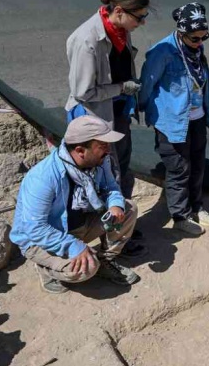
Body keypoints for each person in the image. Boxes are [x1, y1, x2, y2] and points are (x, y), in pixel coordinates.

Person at [9, 116, 143, 294]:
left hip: (80, 225)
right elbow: (34, 228)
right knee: (85, 270)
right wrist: (73, 246)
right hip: (41, 240)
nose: (109, 150)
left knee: (128, 208)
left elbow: (111, 188)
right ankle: (46, 267)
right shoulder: (43, 178)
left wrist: (116, 205)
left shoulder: (100, 161)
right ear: (80, 150)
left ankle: (105, 260)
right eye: (103, 146)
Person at [66, 0, 150, 198]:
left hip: (117, 110)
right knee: (102, 172)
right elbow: (82, 92)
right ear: (120, 11)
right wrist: (121, 88)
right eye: (139, 17)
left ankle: (124, 220)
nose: (142, 22)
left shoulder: (121, 30)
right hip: (94, 116)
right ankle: (107, 226)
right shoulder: (87, 39)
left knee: (121, 164)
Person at [139, 2, 209, 236]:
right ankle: (180, 216)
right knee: (179, 168)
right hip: (172, 122)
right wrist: (148, 113)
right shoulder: (162, 52)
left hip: (197, 117)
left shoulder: (196, 49)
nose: (200, 42)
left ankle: (196, 206)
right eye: (194, 38)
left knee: (198, 164)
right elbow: (147, 86)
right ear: (181, 33)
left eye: (204, 37)